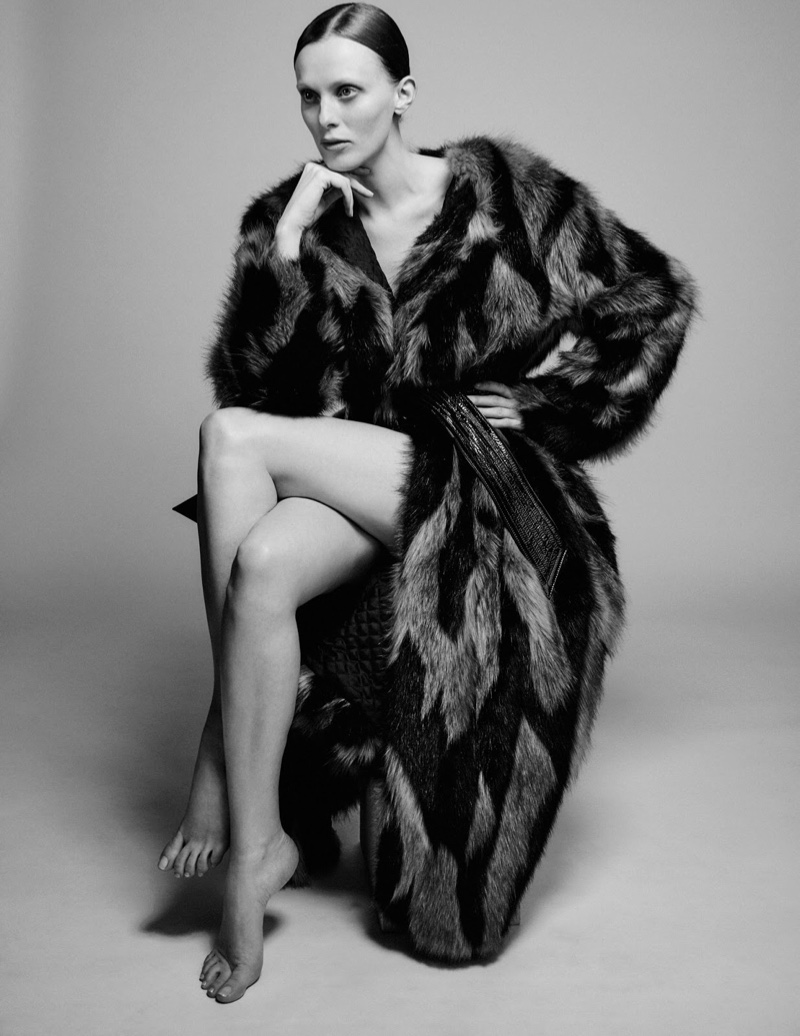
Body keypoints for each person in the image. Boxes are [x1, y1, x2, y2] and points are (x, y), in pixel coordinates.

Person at [159, 2, 697, 1004]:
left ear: (402, 94)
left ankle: (219, 772)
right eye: (309, 97)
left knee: (227, 441)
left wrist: (546, 404)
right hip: (361, 470)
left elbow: (653, 297)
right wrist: (286, 247)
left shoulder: (506, 195)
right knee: (262, 561)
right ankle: (258, 841)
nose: (326, 117)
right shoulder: (290, 218)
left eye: (348, 91)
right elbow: (264, 392)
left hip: (482, 477)